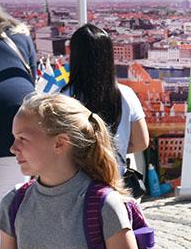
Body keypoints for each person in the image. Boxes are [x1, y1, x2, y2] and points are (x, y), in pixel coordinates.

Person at [0, 93, 145, 249]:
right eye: (14, 138)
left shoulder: (103, 203)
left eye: (22, 139)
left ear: (60, 143)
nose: (13, 148)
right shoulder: (14, 203)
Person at [62, 24, 149, 178]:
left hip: (76, 182)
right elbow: (141, 141)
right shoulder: (126, 94)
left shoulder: (62, 98)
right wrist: (113, 149)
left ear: (74, 56)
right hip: (115, 178)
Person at [0, 6, 35, 192]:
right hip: (19, 131)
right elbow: (31, 79)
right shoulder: (18, 35)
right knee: (10, 203)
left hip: (13, 132)